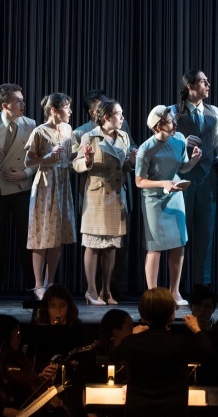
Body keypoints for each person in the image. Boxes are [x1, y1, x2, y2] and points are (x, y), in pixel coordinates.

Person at [169, 70, 218, 288]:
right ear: (191, 86)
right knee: (180, 234)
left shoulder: (214, 112)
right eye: (204, 82)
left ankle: (201, 286)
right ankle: (177, 286)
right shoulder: (173, 112)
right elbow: (161, 145)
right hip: (182, 179)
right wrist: (181, 141)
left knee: (206, 235)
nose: (208, 85)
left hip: (207, 179)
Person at [0, 84, 38, 300]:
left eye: (22, 100)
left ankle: (33, 287)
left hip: (21, 188)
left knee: (26, 241)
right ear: (5, 105)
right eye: (18, 101)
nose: (23, 104)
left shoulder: (30, 124)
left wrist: (26, 173)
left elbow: (41, 157)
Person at [135, 106, 201, 305]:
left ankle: (175, 292)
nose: (175, 124)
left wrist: (194, 161)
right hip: (154, 199)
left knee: (178, 243)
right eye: (171, 122)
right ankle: (153, 294)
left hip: (175, 194)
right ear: (158, 127)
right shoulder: (146, 149)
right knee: (155, 247)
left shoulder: (179, 139)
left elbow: (183, 167)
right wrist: (163, 183)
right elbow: (139, 181)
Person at [113, 287, 214, 417]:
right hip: (172, 411)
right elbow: (208, 353)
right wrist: (197, 329)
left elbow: (114, 355)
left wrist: (131, 335)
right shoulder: (180, 343)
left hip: (138, 410)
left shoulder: (132, 342)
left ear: (142, 313)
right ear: (171, 314)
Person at [74, 99, 136, 305]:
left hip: (117, 196)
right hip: (97, 196)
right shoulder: (89, 136)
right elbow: (76, 163)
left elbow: (124, 166)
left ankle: (106, 290)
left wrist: (132, 161)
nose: (122, 118)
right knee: (92, 245)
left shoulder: (124, 137)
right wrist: (88, 161)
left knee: (111, 246)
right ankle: (91, 291)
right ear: (107, 117)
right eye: (119, 114)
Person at [24, 93, 78, 299]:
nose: (70, 112)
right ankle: (38, 284)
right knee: (41, 235)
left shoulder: (68, 129)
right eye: (66, 107)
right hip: (46, 184)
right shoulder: (39, 131)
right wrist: (47, 156)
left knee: (57, 236)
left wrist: (85, 156)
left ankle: (51, 282)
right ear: (54, 110)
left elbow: (72, 156)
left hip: (63, 184)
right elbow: (28, 162)